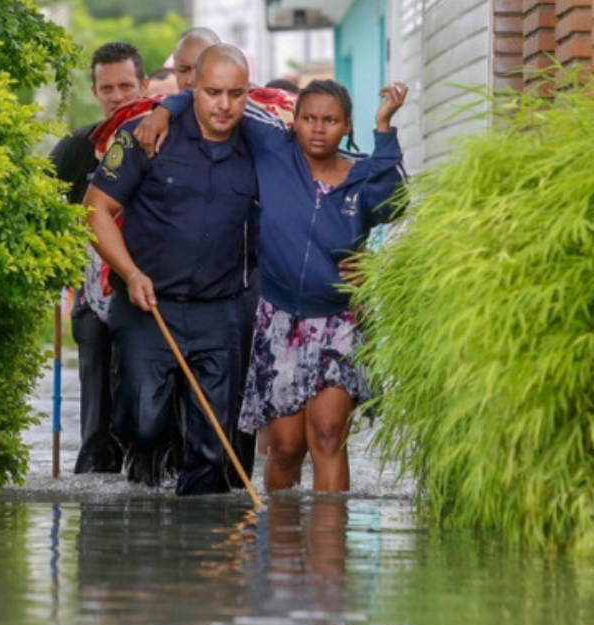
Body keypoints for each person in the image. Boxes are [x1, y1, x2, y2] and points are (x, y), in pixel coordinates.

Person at [139, 79, 408, 492]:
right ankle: (281, 552)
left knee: (328, 434)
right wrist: (165, 109)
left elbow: (399, 201)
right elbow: (218, 97)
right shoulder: (273, 149)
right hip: (280, 320)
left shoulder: (365, 175)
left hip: (341, 321)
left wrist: (385, 129)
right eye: (309, 119)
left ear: (347, 126)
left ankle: (327, 552)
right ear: (293, 122)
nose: (319, 128)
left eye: (331, 120)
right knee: (284, 447)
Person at [82, 44, 258, 495]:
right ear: (191, 88)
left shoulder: (260, 143)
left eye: (235, 94)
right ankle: (143, 508)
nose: (223, 105)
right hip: (147, 305)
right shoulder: (144, 134)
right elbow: (95, 210)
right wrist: (131, 272)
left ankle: (199, 547)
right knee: (143, 423)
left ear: (247, 93)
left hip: (219, 313)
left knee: (212, 449)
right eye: (212, 92)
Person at [50, 41, 148, 474]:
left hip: (145, 289)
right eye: (107, 88)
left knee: (142, 394)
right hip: (91, 296)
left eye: (126, 85)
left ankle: (145, 473)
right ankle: (94, 480)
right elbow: (42, 209)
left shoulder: (160, 142)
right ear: (95, 91)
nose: (117, 96)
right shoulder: (76, 148)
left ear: (143, 85)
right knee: (95, 400)